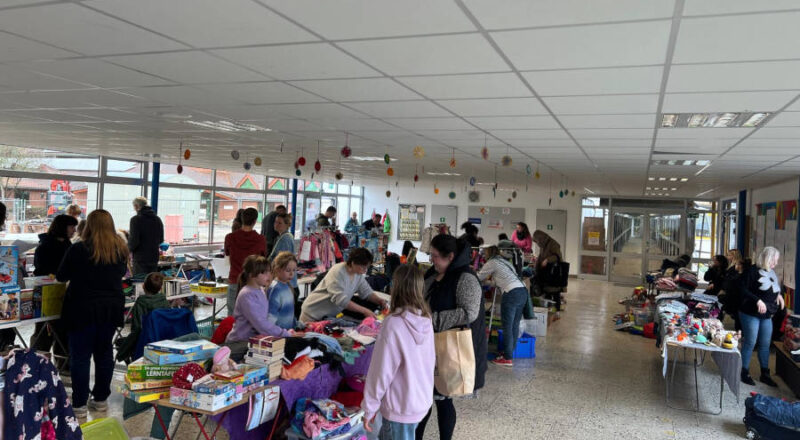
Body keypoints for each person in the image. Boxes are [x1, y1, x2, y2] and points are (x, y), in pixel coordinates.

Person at [56, 209, 129, 418]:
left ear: (88, 226)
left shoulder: (78, 249)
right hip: (110, 309)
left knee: (80, 357)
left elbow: (62, 275)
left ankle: (79, 404)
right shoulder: (120, 250)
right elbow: (121, 274)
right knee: (104, 354)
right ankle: (100, 400)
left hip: (81, 308)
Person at [416, 236, 486, 440]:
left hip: (449, 346)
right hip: (429, 345)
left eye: (436, 256)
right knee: (425, 398)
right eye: (431, 255)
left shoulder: (465, 278)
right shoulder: (434, 273)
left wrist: (432, 320)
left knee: (442, 399)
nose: (432, 260)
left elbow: (469, 313)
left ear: (451, 256)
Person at [363, 265, 435, 440]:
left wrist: (369, 407)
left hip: (399, 407)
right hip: (420, 401)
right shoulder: (425, 319)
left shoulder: (393, 323)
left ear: (396, 286)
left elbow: (381, 372)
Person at [32, 214, 78, 369]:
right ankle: (38, 365)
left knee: (63, 330)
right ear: (63, 227)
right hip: (47, 293)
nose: (74, 230)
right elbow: (40, 270)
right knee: (44, 331)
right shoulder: (45, 246)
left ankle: (63, 364)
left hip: (65, 293)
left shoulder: (68, 244)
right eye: (72, 227)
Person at [225, 255, 290, 361]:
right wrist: (284, 333)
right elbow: (261, 324)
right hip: (239, 343)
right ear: (252, 275)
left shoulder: (260, 290)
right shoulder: (247, 294)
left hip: (252, 341)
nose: (269, 276)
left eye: (269, 271)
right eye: (264, 273)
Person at [300, 248, 388, 323]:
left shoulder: (358, 275)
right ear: (353, 262)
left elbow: (367, 293)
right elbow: (341, 300)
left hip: (326, 317)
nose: (365, 270)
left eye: (367, 267)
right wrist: (365, 311)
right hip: (312, 314)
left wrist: (380, 301)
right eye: (363, 267)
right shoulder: (338, 271)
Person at [738, 246, 785, 387]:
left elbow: (772, 288)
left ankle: (765, 374)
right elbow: (741, 289)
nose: (775, 264)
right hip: (750, 312)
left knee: (765, 344)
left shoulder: (771, 272)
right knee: (750, 342)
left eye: (776, 261)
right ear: (766, 258)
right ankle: (743, 372)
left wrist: (779, 296)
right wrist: (757, 300)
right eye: (773, 260)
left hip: (766, 314)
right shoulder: (751, 271)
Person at [478, 246, 528, 367]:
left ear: (488, 253)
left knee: (507, 326)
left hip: (511, 293)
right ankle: (509, 352)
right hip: (522, 291)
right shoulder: (505, 261)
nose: (483, 256)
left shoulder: (492, 262)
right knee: (514, 325)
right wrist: (490, 283)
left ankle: (507, 358)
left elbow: (478, 277)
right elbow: (505, 278)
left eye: (484, 253)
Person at [115, 272, 168, 363]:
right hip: (161, 339)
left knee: (119, 342)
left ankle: (132, 364)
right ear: (161, 288)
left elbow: (137, 328)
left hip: (145, 341)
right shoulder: (164, 301)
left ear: (143, 286)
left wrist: (123, 351)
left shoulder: (141, 303)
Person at [224, 207, 266, 316]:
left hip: (234, 280)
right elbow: (263, 260)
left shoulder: (230, 238)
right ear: (255, 221)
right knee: (253, 317)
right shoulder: (260, 239)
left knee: (232, 318)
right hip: (252, 283)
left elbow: (227, 255)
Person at [128, 196, 164, 275]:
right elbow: (161, 239)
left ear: (137, 206)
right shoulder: (157, 219)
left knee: (140, 283)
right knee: (151, 283)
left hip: (141, 259)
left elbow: (134, 241)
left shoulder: (135, 220)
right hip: (154, 257)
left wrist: (127, 250)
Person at [533, 230, 565, 317]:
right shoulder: (544, 245)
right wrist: (537, 263)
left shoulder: (553, 244)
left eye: (537, 241)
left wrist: (547, 260)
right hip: (546, 273)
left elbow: (557, 256)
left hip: (554, 274)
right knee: (547, 293)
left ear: (540, 238)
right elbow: (541, 256)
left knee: (555, 293)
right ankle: (548, 312)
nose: (537, 244)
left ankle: (557, 313)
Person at [268, 252, 299, 331]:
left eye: (294, 270)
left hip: (288, 332)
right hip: (279, 335)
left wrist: (298, 324)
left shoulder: (287, 286)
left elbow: (289, 313)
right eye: (288, 270)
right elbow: (271, 317)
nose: (292, 274)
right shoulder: (276, 289)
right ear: (278, 270)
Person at [720, 249, 746, 331]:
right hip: (730, 292)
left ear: (734, 256)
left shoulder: (737, 266)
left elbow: (733, 280)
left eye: (729, 255)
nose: (727, 257)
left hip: (734, 294)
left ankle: (738, 331)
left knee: (735, 314)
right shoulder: (732, 265)